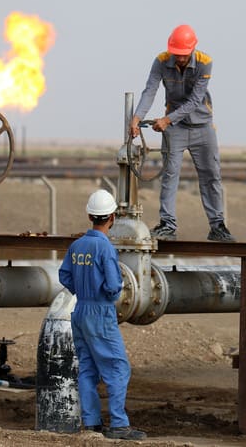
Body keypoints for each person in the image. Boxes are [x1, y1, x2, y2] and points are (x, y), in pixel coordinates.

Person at [129, 24, 235, 242]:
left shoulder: (205, 62)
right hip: (176, 129)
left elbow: (195, 101)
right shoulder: (161, 61)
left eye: (183, 55)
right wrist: (137, 117)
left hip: (202, 126)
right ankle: (167, 225)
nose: (179, 58)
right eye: (176, 54)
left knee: (211, 176)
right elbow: (150, 90)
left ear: (192, 49)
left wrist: (166, 120)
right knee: (170, 175)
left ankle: (217, 226)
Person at [58, 189, 146, 441]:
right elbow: (113, 285)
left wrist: (82, 290)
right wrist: (105, 296)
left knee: (87, 368)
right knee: (117, 367)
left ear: (90, 216)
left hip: (80, 311)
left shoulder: (77, 245)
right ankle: (118, 424)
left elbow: (64, 275)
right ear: (112, 217)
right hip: (99, 312)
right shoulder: (105, 247)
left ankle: (91, 423)